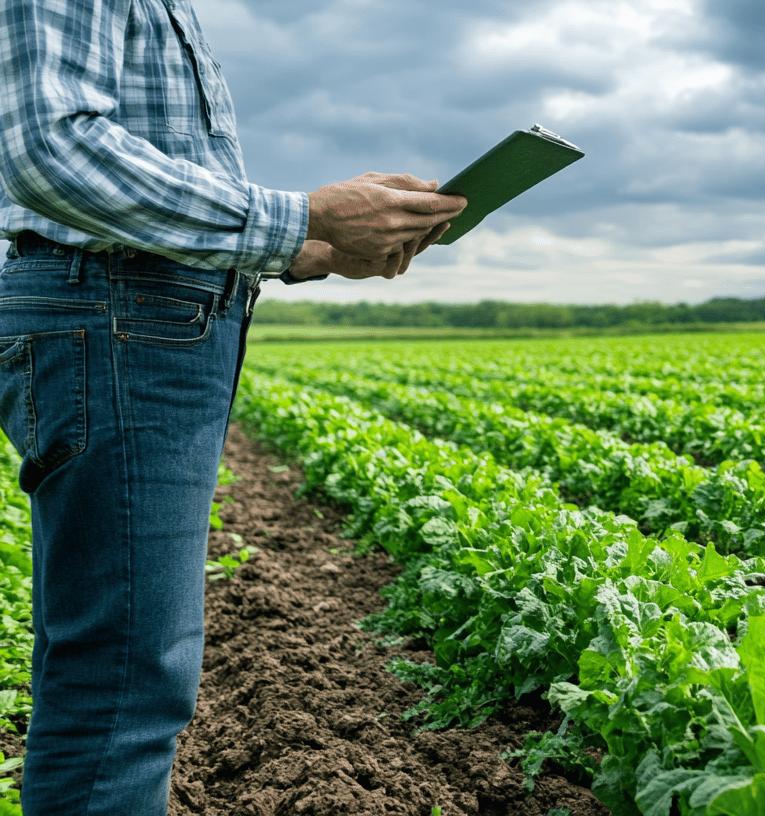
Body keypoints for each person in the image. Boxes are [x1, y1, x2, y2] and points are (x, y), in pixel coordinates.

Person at [0, 2, 468, 812]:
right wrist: (301, 215)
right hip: (123, 316)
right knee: (123, 686)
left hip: (138, 313)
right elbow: (52, 148)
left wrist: (308, 246)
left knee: (110, 669)